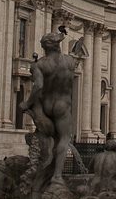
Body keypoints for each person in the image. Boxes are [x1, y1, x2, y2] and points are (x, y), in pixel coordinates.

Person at [20, 28, 84, 183]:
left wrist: (28, 103)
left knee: (45, 136)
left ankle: (40, 169)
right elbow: (77, 62)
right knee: (63, 139)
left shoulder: (39, 65)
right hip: (62, 106)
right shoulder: (69, 62)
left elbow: (39, 86)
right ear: (58, 46)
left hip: (46, 105)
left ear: (44, 47)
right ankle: (56, 176)